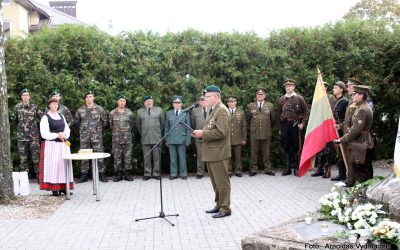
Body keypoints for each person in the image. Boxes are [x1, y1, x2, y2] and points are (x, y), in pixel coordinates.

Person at [192, 85, 231, 218]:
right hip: (212, 152)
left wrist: (203, 133)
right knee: (215, 182)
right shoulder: (213, 109)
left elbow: (221, 132)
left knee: (222, 181)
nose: (205, 98)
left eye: (208, 96)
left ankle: (225, 208)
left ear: (216, 96)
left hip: (219, 153)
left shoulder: (222, 111)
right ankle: (219, 204)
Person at [334, 85, 374, 183]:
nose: (352, 96)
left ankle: (363, 193)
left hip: (361, 143)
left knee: (362, 171)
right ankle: (361, 191)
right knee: (361, 169)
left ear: (361, 95)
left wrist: (341, 139)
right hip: (360, 142)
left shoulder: (362, 109)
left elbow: (356, 130)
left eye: (354, 94)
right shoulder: (360, 106)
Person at [39, 98, 73, 196]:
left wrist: (64, 135)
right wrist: (57, 135)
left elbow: (67, 129)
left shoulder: (61, 116)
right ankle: (54, 189)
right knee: (54, 166)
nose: (55, 105)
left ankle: (64, 188)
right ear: (49, 105)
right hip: (52, 146)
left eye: (56, 104)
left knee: (64, 166)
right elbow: (44, 134)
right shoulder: (45, 118)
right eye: (53, 104)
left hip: (63, 145)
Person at [75, 91, 108, 183]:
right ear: (85, 99)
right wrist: (83, 131)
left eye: (90, 96)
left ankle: (101, 174)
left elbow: (105, 122)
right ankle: (84, 174)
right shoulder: (80, 110)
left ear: (93, 98)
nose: (89, 98)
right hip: (84, 137)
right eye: (87, 97)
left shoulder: (99, 109)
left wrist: (97, 130)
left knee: (99, 154)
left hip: (97, 136)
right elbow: (77, 122)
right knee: (84, 155)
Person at [278, 79, 308, 176]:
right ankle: (287, 169)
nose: (288, 87)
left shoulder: (299, 98)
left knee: (296, 147)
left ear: (294, 87)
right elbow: (278, 114)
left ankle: (296, 168)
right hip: (285, 125)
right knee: (286, 146)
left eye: (290, 86)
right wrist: (280, 128)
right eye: (286, 86)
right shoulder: (282, 99)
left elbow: (305, 112)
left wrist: (302, 123)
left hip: (295, 125)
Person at [334, 78, 361, 186]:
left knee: (358, 161)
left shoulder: (362, 102)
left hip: (356, 136)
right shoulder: (351, 101)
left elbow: (358, 122)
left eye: (349, 85)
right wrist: (340, 126)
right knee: (349, 159)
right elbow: (347, 120)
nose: (348, 87)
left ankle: (357, 181)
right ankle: (350, 180)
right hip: (348, 134)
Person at [245, 88, 276, 176]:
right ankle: (253, 169)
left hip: (266, 133)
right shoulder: (250, 106)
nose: (260, 95)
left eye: (262, 94)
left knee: (266, 153)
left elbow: (273, 119)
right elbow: (247, 119)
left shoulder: (270, 106)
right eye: (258, 94)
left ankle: (268, 169)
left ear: (264, 95)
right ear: (256, 95)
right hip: (254, 133)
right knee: (253, 153)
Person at [12, 88, 43, 176]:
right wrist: (20, 129)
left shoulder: (34, 107)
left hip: (33, 137)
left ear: (29, 97)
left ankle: (39, 177)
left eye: (27, 95)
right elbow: (14, 120)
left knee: (36, 157)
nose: (25, 97)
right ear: (21, 97)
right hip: (22, 137)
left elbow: (42, 118)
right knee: (23, 159)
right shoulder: (17, 107)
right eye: (24, 95)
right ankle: (24, 179)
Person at [136, 95, 165, 181]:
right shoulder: (139, 112)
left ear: (153, 102)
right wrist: (143, 133)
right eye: (147, 101)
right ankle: (147, 173)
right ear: (144, 103)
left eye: (150, 101)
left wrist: (157, 133)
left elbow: (162, 123)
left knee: (157, 157)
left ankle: (156, 173)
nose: (149, 102)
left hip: (156, 138)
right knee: (146, 157)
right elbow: (138, 125)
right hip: (145, 138)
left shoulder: (159, 110)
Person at [311, 82, 336, 178]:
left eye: (323, 87)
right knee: (320, 149)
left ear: (326, 88)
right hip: (319, 125)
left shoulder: (330, 97)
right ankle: (320, 169)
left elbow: (333, 112)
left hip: (327, 125)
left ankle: (327, 169)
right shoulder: (318, 98)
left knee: (327, 150)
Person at [164, 96, 191, 180]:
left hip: (182, 139)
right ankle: (173, 174)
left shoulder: (185, 113)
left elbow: (188, 128)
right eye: (175, 103)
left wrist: (188, 140)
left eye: (179, 103)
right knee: (173, 158)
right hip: (171, 139)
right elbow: (166, 127)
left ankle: (183, 174)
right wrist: (166, 139)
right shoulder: (168, 113)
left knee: (182, 158)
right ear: (173, 104)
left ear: (181, 104)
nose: (177, 104)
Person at [109, 95, 134, 182]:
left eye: (123, 100)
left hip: (127, 138)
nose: (122, 102)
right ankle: (118, 174)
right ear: (117, 102)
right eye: (120, 100)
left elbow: (131, 125)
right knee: (117, 157)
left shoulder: (129, 113)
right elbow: (111, 125)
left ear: (125, 102)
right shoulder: (112, 113)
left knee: (127, 157)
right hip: (116, 139)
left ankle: (128, 173)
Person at [330, 81, 349, 181]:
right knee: (339, 152)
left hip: (342, 130)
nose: (334, 89)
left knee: (343, 152)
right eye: (334, 87)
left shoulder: (345, 102)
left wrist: (340, 126)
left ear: (341, 89)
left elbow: (347, 119)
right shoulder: (336, 101)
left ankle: (346, 174)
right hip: (336, 129)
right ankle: (341, 174)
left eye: (336, 87)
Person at [226, 95, 246, 177]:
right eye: (229, 102)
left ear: (236, 102)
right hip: (227, 138)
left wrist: (244, 138)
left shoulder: (241, 112)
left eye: (233, 101)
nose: (231, 103)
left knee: (238, 156)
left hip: (238, 138)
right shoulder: (224, 112)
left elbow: (244, 126)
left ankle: (238, 170)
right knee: (228, 156)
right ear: (227, 103)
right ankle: (229, 171)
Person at [190, 94, 208, 179]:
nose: (203, 101)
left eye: (205, 99)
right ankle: (200, 172)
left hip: (210, 136)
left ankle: (211, 172)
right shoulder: (195, 111)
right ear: (199, 101)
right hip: (199, 137)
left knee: (211, 154)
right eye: (201, 100)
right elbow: (193, 123)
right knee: (200, 155)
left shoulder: (212, 110)